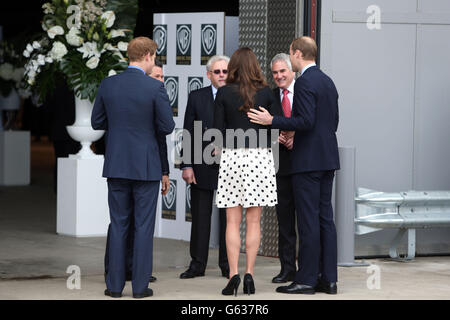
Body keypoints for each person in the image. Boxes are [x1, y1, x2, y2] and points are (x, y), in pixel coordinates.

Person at [247, 36, 340, 295]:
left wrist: (272, 120)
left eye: (291, 54)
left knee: (309, 221)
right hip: (327, 159)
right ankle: (328, 279)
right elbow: (332, 122)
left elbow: (306, 120)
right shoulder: (327, 81)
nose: (291, 58)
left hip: (307, 162)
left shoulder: (305, 82)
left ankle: (307, 279)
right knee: (325, 220)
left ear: (298, 54)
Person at [92, 36, 175, 299]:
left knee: (118, 224)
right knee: (143, 227)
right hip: (146, 166)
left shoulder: (108, 84)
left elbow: (97, 122)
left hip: (116, 165)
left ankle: (114, 286)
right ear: (149, 55)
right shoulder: (154, 88)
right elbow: (167, 127)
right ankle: (140, 287)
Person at [213, 47, 282, 296]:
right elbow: (278, 125)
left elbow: (216, 131)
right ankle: (250, 273)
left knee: (232, 221)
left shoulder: (222, 93)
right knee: (254, 221)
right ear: (255, 66)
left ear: (233, 66)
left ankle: (233, 275)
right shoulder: (266, 93)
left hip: (232, 157)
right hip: (260, 158)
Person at [179, 55, 230, 279]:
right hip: (201, 165)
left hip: (230, 165)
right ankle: (197, 264)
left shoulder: (238, 96)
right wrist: (187, 165)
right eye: (217, 72)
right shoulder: (196, 96)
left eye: (225, 71)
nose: (221, 75)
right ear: (208, 75)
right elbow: (188, 132)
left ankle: (228, 265)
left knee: (229, 218)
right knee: (200, 217)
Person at [270, 53, 298, 283]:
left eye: (282, 71)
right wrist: (274, 137)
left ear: (292, 71)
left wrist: (296, 135)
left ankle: (309, 267)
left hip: (305, 165)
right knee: (285, 222)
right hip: (280, 169)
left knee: (308, 221)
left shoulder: (304, 92)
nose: (279, 76)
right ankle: (287, 268)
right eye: (275, 73)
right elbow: (258, 126)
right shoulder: (269, 97)